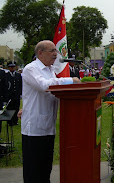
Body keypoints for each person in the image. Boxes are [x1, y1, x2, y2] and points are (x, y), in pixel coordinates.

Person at [20, 40, 81, 183]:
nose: (56, 54)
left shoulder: (50, 70)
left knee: (45, 168)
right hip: (34, 128)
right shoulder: (31, 68)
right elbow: (44, 85)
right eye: (52, 51)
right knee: (33, 171)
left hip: (48, 126)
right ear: (40, 53)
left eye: (55, 51)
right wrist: (70, 80)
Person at [6, 61, 22, 126]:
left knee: (16, 108)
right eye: (11, 67)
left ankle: (15, 121)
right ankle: (10, 121)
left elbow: (20, 85)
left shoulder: (18, 75)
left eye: (13, 67)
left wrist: (20, 93)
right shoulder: (6, 75)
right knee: (10, 108)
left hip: (16, 95)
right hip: (9, 95)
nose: (12, 68)